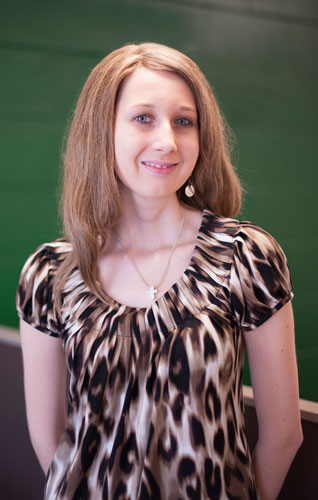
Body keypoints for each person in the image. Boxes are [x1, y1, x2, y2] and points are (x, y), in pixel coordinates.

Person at [17, 42, 303, 500]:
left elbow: (285, 434)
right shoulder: (49, 274)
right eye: (143, 118)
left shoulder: (245, 256)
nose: (167, 141)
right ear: (102, 130)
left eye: (184, 121)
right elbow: (49, 439)